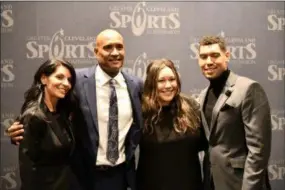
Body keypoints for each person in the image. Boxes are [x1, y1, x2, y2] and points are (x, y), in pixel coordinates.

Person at [6, 29, 143, 190]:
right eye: (108, 47)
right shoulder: (75, 81)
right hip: (82, 177)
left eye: (119, 47)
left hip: (120, 176)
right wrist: (21, 127)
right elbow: (47, 108)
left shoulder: (136, 85)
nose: (115, 52)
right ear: (96, 52)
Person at [197, 35, 272, 190]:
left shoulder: (248, 88)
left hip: (240, 184)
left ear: (227, 56)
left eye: (214, 55)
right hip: (212, 183)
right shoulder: (202, 96)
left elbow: (258, 150)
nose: (209, 62)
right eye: (203, 57)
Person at [136, 59, 207, 190]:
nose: (168, 85)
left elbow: (204, 143)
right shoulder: (142, 111)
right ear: (151, 83)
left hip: (190, 185)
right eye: (161, 81)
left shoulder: (191, 105)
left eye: (172, 79)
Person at [16, 59, 80, 190]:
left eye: (69, 80)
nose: (66, 84)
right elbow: (28, 168)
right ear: (44, 78)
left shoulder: (63, 114)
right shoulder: (33, 116)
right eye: (59, 77)